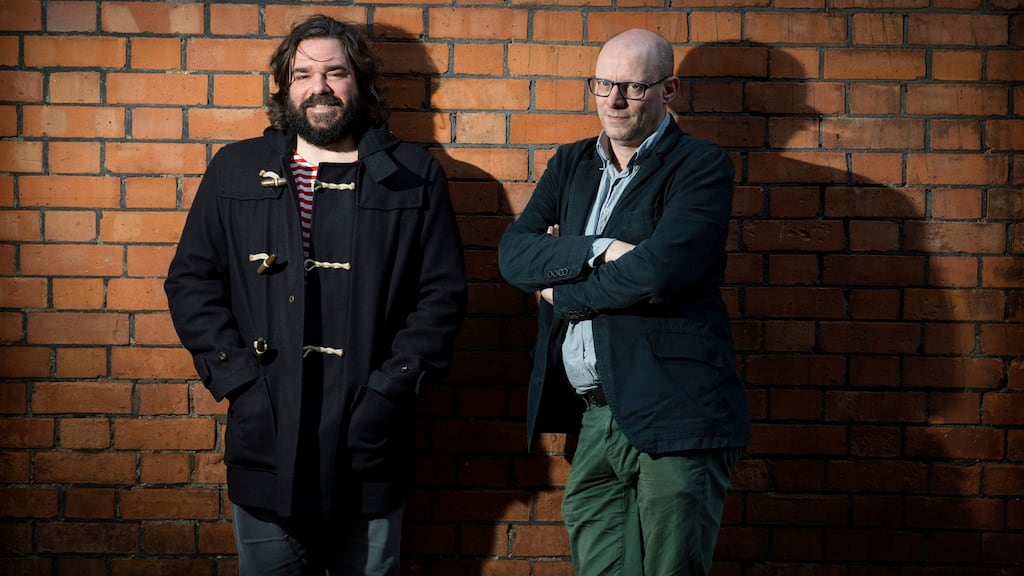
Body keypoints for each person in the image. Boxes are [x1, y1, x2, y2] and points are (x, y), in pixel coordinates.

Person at [164, 15, 466, 576]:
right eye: (303, 74)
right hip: (266, 434)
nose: (319, 87)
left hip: (370, 440)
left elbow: (441, 297)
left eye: (335, 73)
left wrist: (388, 393)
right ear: (284, 86)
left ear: (360, 82)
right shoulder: (236, 169)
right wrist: (241, 383)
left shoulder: (412, 174)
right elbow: (191, 281)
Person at [497, 28, 750, 576]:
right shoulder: (570, 163)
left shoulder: (701, 166)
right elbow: (514, 255)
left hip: (675, 409)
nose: (612, 100)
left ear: (668, 90)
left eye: (632, 88)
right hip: (595, 415)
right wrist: (603, 249)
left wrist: (561, 289)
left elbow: (659, 272)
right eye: (602, 84)